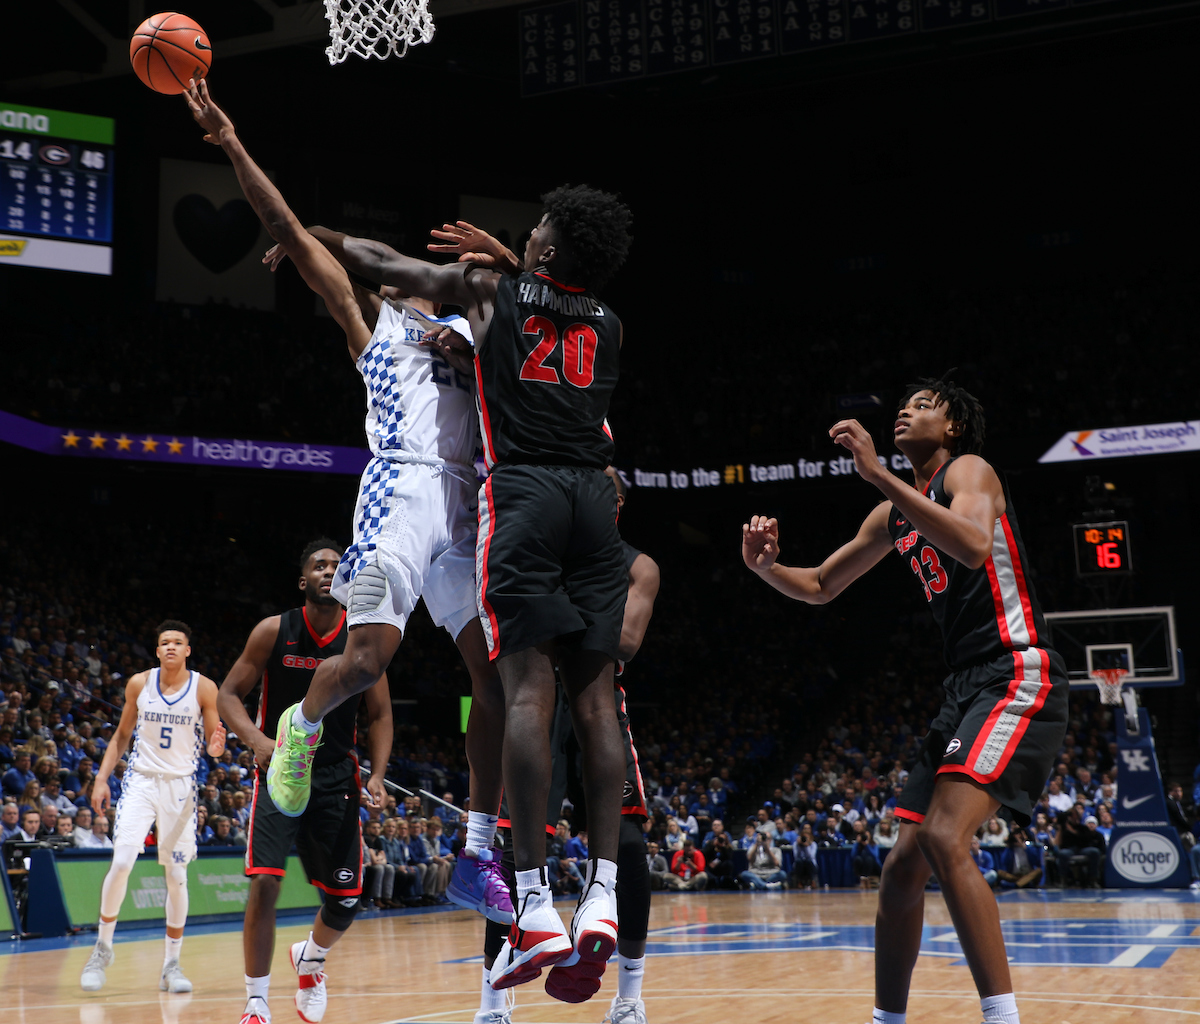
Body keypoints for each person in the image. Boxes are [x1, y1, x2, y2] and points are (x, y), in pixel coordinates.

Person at [182, 79, 511, 929]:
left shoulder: (484, 337)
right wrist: (228, 140)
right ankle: (300, 726)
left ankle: (479, 853)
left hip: (470, 506)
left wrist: (509, 263)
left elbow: (548, 312)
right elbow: (296, 231)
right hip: (397, 496)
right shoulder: (378, 329)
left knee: (497, 680)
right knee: (366, 663)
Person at [323, 202, 632, 996]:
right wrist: (515, 267)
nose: (525, 231)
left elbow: (386, 266)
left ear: (548, 248)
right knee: (594, 702)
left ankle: (526, 898)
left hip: (515, 495)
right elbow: (542, 294)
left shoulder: (491, 296)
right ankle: (598, 893)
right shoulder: (609, 320)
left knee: (519, 691)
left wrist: (313, 237)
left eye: (536, 228)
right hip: (589, 501)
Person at [742, 376, 1069, 1024]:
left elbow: (974, 546)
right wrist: (765, 568)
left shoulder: (969, 470)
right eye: (904, 404)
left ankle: (1003, 1018)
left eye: (923, 406)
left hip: (1017, 672)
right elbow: (820, 585)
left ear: (950, 429)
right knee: (898, 872)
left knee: (947, 838)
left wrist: (875, 475)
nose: (905, 411)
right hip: (963, 689)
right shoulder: (894, 513)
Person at [217, 541, 393, 1024]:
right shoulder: (273, 631)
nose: (328, 570)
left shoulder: (362, 638)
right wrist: (256, 740)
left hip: (337, 776)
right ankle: (255, 1002)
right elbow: (229, 694)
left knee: (345, 899)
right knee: (265, 885)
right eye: (319, 565)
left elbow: (379, 715)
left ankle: (311, 959)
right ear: (304, 580)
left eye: (337, 566)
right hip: (279, 770)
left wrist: (377, 775)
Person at [80, 620, 226, 995]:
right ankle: (102, 950)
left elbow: (213, 742)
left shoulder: (204, 688)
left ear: (188, 649)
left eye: (178, 642)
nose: (172, 647)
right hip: (141, 781)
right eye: (165, 643)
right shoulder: (138, 683)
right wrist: (100, 779)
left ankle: (171, 965)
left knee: (176, 876)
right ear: (157, 650)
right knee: (123, 861)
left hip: (179, 789)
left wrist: (217, 745)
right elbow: (121, 735)